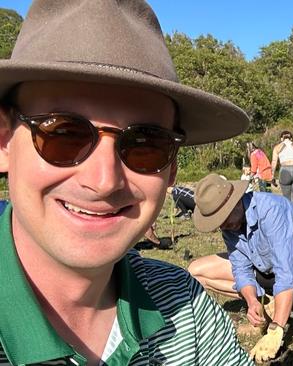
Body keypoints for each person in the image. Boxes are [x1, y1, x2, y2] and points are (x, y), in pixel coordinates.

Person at [0, 1, 252, 365]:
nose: (103, 181)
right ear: (5, 141)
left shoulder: (186, 306)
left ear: (171, 170)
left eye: (146, 145)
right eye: (64, 134)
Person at [188, 174, 293, 363]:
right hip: (265, 267)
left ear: (235, 202)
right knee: (196, 271)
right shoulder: (229, 226)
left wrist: (276, 329)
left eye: (224, 218)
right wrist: (251, 301)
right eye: (218, 222)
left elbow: (285, 270)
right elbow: (241, 269)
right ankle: (266, 306)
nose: (223, 225)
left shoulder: (272, 210)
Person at [271, 131, 293, 206]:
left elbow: (274, 162)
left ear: (281, 139)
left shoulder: (277, 148)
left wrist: (272, 176)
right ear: (291, 138)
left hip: (285, 170)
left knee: (286, 199)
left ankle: (288, 216)